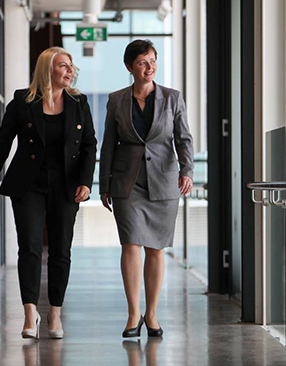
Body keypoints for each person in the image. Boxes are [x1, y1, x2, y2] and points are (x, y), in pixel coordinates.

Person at [0, 47, 97, 340]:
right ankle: (30, 313)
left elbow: (89, 145)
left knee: (60, 249)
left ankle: (54, 313)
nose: (69, 71)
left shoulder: (78, 101)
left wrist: (86, 181)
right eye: (63, 66)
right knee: (30, 248)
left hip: (66, 184)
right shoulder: (23, 100)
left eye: (71, 66)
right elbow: (2, 143)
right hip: (28, 184)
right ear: (47, 69)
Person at [99, 39, 194, 338]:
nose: (149, 66)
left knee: (155, 249)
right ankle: (133, 315)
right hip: (127, 182)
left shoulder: (172, 98)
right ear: (130, 67)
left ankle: (151, 315)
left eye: (152, 60)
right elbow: (108, 144)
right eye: (142, 62)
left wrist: (187, 171)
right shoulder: (116, 100)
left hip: (164, 180)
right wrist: (104, 184)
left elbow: (184, 139)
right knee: (130, 245)